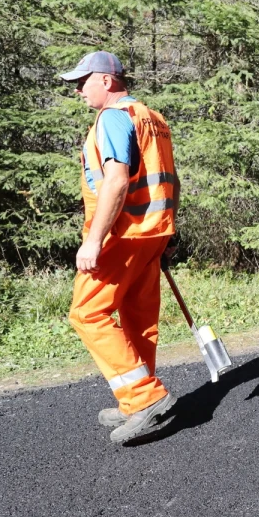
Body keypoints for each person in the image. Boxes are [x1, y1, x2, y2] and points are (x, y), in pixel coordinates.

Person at [61, 51, 180, 445]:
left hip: (123, 233)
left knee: (87, 313)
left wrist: (94, 239)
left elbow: (116, 181)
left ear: (107, 81)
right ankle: (137, 399)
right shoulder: (152, 117)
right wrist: (162, 236)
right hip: (152, 231)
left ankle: (144, 398)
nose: (78, 90)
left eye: (83, 82)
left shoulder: (113, 117)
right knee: (137, 315)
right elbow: (164, 180)